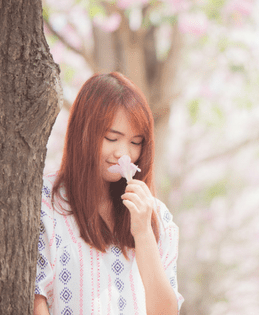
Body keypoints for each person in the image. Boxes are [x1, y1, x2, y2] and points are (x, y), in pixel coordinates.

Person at [33, 72, 184, 315]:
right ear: (83, 132)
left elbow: (165, 312)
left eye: (136, 142)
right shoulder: (44, 202)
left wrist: (143, 233)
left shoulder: (157, 217)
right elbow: (34, 299)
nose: (124, 154)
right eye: (112, 138)